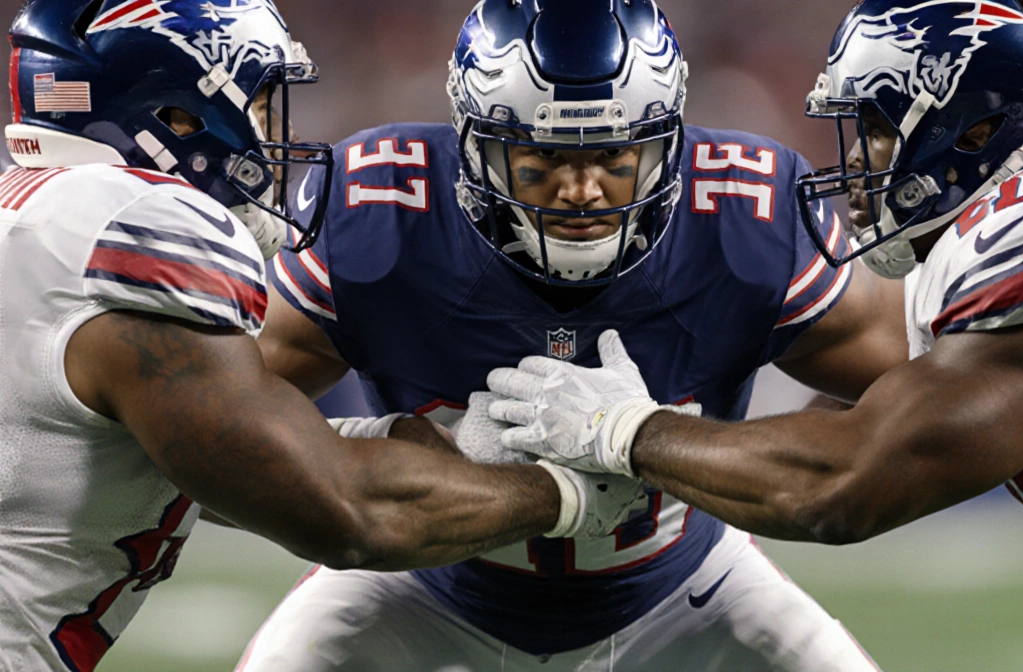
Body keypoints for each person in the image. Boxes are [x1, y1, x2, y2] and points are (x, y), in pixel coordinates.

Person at [487, 0, 1023, 661]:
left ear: (978, 129)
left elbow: (843, 485)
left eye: (882, 128)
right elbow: (853, 414)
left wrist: (625, 431)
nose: (857, 158)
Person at [238, 1, 905, 670]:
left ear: (666, 141)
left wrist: (731, 461)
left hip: (688, 586)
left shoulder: (744, 218)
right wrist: (370, 458)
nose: (581, 190)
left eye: (614, 155)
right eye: (542, 159)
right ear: (474, 145)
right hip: (414, 589)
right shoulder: (381, 212)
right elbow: (224, 430)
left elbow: (899, 396)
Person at [0, 1, 639, 670]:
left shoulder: (39, 216)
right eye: (266, 100)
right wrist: (563, 493)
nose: (285, 130)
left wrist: (378, 441)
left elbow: (198, 452)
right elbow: (344, 514)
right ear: (178, 116)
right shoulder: (146, 227)